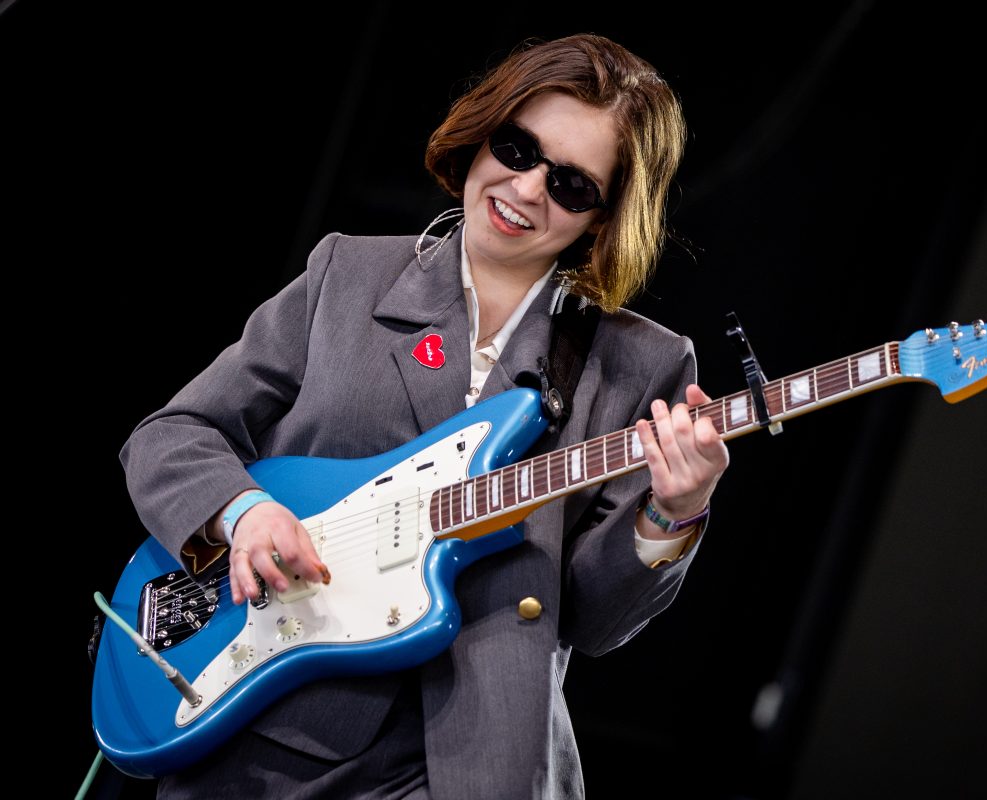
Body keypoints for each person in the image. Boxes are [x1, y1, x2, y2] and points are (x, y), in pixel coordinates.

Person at [119, 33, 729, 799]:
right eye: (516, 149)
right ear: (481, 134)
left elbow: (595, 623)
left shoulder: (643, 365)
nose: (526, 188)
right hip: (266, 735)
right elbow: (173, 435)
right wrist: (245, 512)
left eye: (571, 185)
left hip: (477, 765)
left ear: (606, 217)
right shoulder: (348, 273)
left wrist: (673, 513)